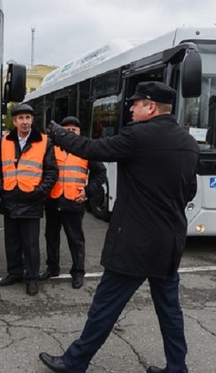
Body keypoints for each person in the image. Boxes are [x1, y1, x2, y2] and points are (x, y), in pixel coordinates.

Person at [38, 81, 199, 373]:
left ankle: (74, 362)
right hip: (169, 241)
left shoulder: (138, 136)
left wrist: (58, 133)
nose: (131, 108)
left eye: (136, 104)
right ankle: (177, 368)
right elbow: (189, 191)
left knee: (105, 306)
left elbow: (90, 148)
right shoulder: (188, 142)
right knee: (170, 311)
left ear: (151, 107)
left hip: (134, 243)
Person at [0, 103, 58, 296]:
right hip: (10, 197)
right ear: (14, 121)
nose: (24, 122)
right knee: (11, 242)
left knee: (31, 244)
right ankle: (14, 273)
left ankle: (31, 278)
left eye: (28, 118)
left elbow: (52, 171)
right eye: (20, 118)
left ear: (32, 120)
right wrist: (0, 190)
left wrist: (39, 193)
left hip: (31, 199)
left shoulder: (44, 142)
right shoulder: (4, 141)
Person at [40, 116, 107, 289]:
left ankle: (78, 272)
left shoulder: (86, 150)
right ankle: (52, 267)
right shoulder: (52, 148)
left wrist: (87, 191)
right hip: (53, 201)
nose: (70, 132)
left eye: (74, 130)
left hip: (74, 201)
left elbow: (100, 173)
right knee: (51, 237)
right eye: (66, 130)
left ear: (79, 132)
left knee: (76, 239)